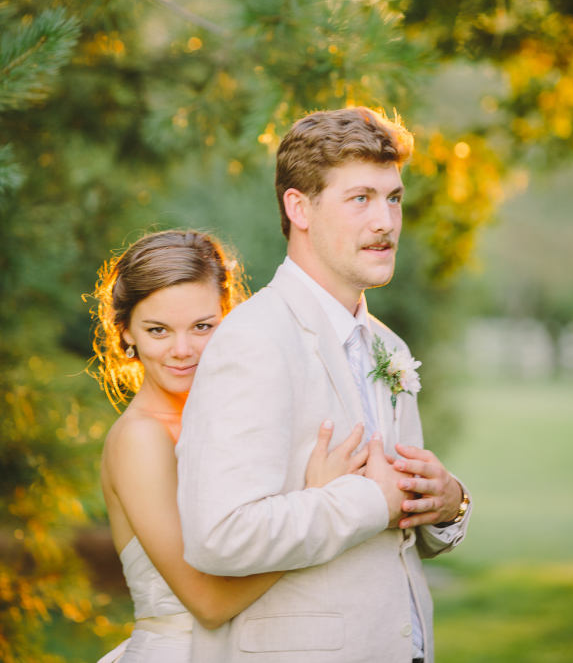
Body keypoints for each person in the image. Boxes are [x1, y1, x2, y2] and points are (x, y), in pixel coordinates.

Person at [177, 107, 472, 663]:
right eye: (360, 198)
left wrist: (448, 504)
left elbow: (398, 525)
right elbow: (218, 534)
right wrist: (366, 500)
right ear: (299, 207)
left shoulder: (389, 347)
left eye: (394, 198)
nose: (385, 221)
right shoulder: (253, 340)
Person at [91, 229, 369, 663]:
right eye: (158, 330)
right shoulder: (140, 438)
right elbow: (209, 602)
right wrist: (321, 504)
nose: (182, 350)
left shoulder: (243, 417)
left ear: (229, 318)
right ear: (126, 332)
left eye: (202, 327)